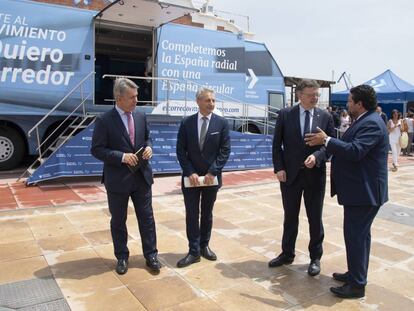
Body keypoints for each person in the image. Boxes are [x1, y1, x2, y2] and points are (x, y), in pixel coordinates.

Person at [305, 84, 388, 298]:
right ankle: (355, 274)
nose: (347, 104)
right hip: (359, 191)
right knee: (359, 237)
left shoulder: (372, 123)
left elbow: (356, 151)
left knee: (355, 237)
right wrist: (330, 141)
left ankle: (357, 285)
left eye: (350, 101)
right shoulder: (364, 120)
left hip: (365, 193)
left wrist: (327, 140)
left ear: (360, 104)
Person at [91, 78, 160, 275]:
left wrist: (149, 148)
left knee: (147, 219)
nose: (136, 100)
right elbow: (96, 149)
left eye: (137, 96)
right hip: (118, 181)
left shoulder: (140, 117)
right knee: (118, 220)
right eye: (132, 97)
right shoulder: (104, 120)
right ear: (119, 98)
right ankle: (122, 257)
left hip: (142, 178)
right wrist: (121, 157)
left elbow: (148, 138)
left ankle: (151, 255)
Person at [269, 79, 335, 276]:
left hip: (315, 176)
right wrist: (279, 168)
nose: (315, 98)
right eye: (311, 94)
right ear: (299, 95)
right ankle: (287, 253)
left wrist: (317, 156)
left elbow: (330, 145)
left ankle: (315, 258)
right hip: (290, 176)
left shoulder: (325, 116)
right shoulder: (285, 114)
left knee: (315, 218)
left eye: (317, 95)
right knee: (290, 217)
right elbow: (276, 145)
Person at [175, 87, 231, 268]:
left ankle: (204, 246)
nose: (211, 104)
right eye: (208, 100)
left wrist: (212, 171)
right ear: (198, 101)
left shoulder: (221, 123)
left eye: (213, 100)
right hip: (190, 179)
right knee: (192, 214)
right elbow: (180, 151)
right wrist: (190, 171)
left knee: (207, 214)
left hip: (210, 179)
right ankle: (193, 251)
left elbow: (224, 150)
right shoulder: (186, 123)